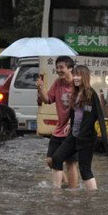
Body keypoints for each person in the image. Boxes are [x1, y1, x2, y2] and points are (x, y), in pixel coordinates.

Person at [50, 65, 108, 190]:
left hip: (86, 138)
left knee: (85, 170)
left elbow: (95, 117)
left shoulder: (91, 94)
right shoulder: (76, 92)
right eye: (75, 75)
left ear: (85, 77)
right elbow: (76, 114)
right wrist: (70, 125)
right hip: (74, 135)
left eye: (79, 75)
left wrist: (106, 144)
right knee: (57, 158)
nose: (76, 78)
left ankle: (92, 197)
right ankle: (55, 192)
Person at [36, 56, 79, 188]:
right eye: (57, 67)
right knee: (50, 160)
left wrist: (72, 123)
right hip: (59, 129)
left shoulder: (77, 84)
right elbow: (47, 100)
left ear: (70, 68)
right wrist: (40, 88)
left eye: (62, 67)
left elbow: (82, 108)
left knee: (71, 163)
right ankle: (63, 180)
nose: (59, 70)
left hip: (72, 130)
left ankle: (73, 192)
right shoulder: (57, 83)